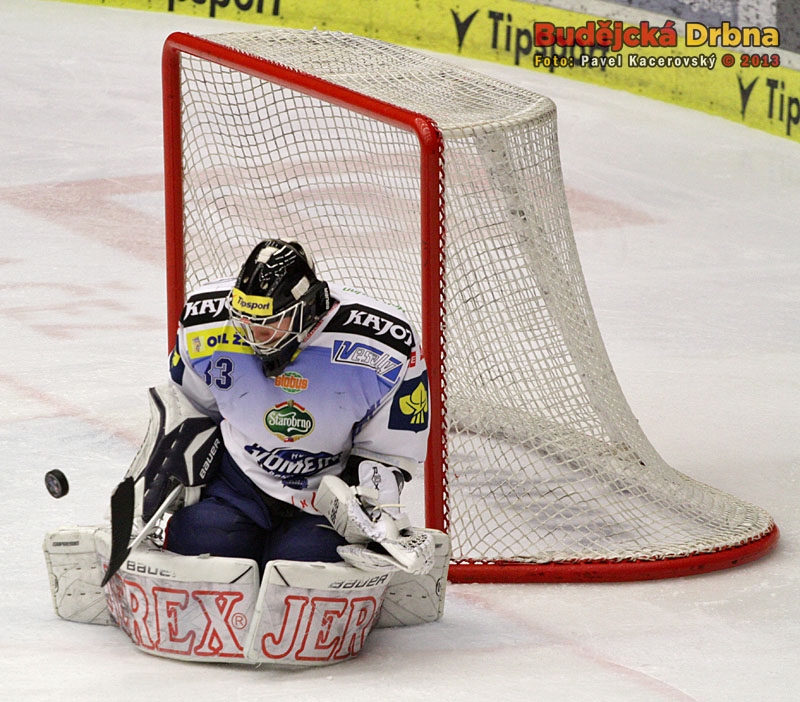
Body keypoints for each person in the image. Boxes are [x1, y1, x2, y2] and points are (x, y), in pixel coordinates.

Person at [162, 239, 430, 573]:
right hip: (239, 482)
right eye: (244, 321)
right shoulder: (205, 322)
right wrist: (168, 469)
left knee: (302, 564)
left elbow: (389, 450)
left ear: (304, 308)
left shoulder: (383, 344)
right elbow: (187, 411)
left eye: (269, 322)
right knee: (199, 539)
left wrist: (367, 504)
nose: (253, 334)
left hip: (326, 494)